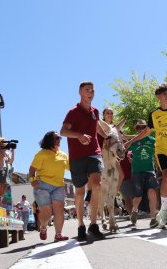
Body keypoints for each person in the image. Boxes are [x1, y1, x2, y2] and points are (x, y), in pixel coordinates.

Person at [125, 84, 167, 228]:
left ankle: (163, 209)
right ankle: (165, 211)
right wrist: (130, 142)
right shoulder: (154, 114)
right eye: (164, 94)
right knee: (166, 177)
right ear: (158, 97)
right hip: (161, 150)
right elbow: (146, 132)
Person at [60, 81, 106, 240]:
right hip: (77, 156)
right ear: (80, 92)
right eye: (87, 90)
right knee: (79, 191)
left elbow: (97, 128)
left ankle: (93, 224)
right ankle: (80, 225)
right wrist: (79, 135)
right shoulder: (72, 112)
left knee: (97, 185)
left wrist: (109, 136)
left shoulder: (96, 111)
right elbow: (63, 131)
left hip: (94, 153)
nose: (91, 93)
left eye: (93, 90)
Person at [29, 131, 69, 241]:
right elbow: (32, 170)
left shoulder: (63, 155)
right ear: (49, 140)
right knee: (46, 210)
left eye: (60, 138)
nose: (59, 140)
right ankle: (43, 227)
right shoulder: (41, 154)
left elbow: (72, 167)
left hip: (58, 186)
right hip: (42, 185)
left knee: (59, 210)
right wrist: (32, 180)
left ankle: (58, 234)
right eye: (57, 138)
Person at [127, 119, 159, 228]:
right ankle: (134, 210)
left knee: (152, 192)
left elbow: (159, 151)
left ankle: (153, 218)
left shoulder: (152, 140)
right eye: (138, 128)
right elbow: (122, 149)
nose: (141, 129)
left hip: (150, 170)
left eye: (143, 127)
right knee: (138, 197)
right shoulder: (133, 141)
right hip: (136, 171)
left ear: (147, 128)